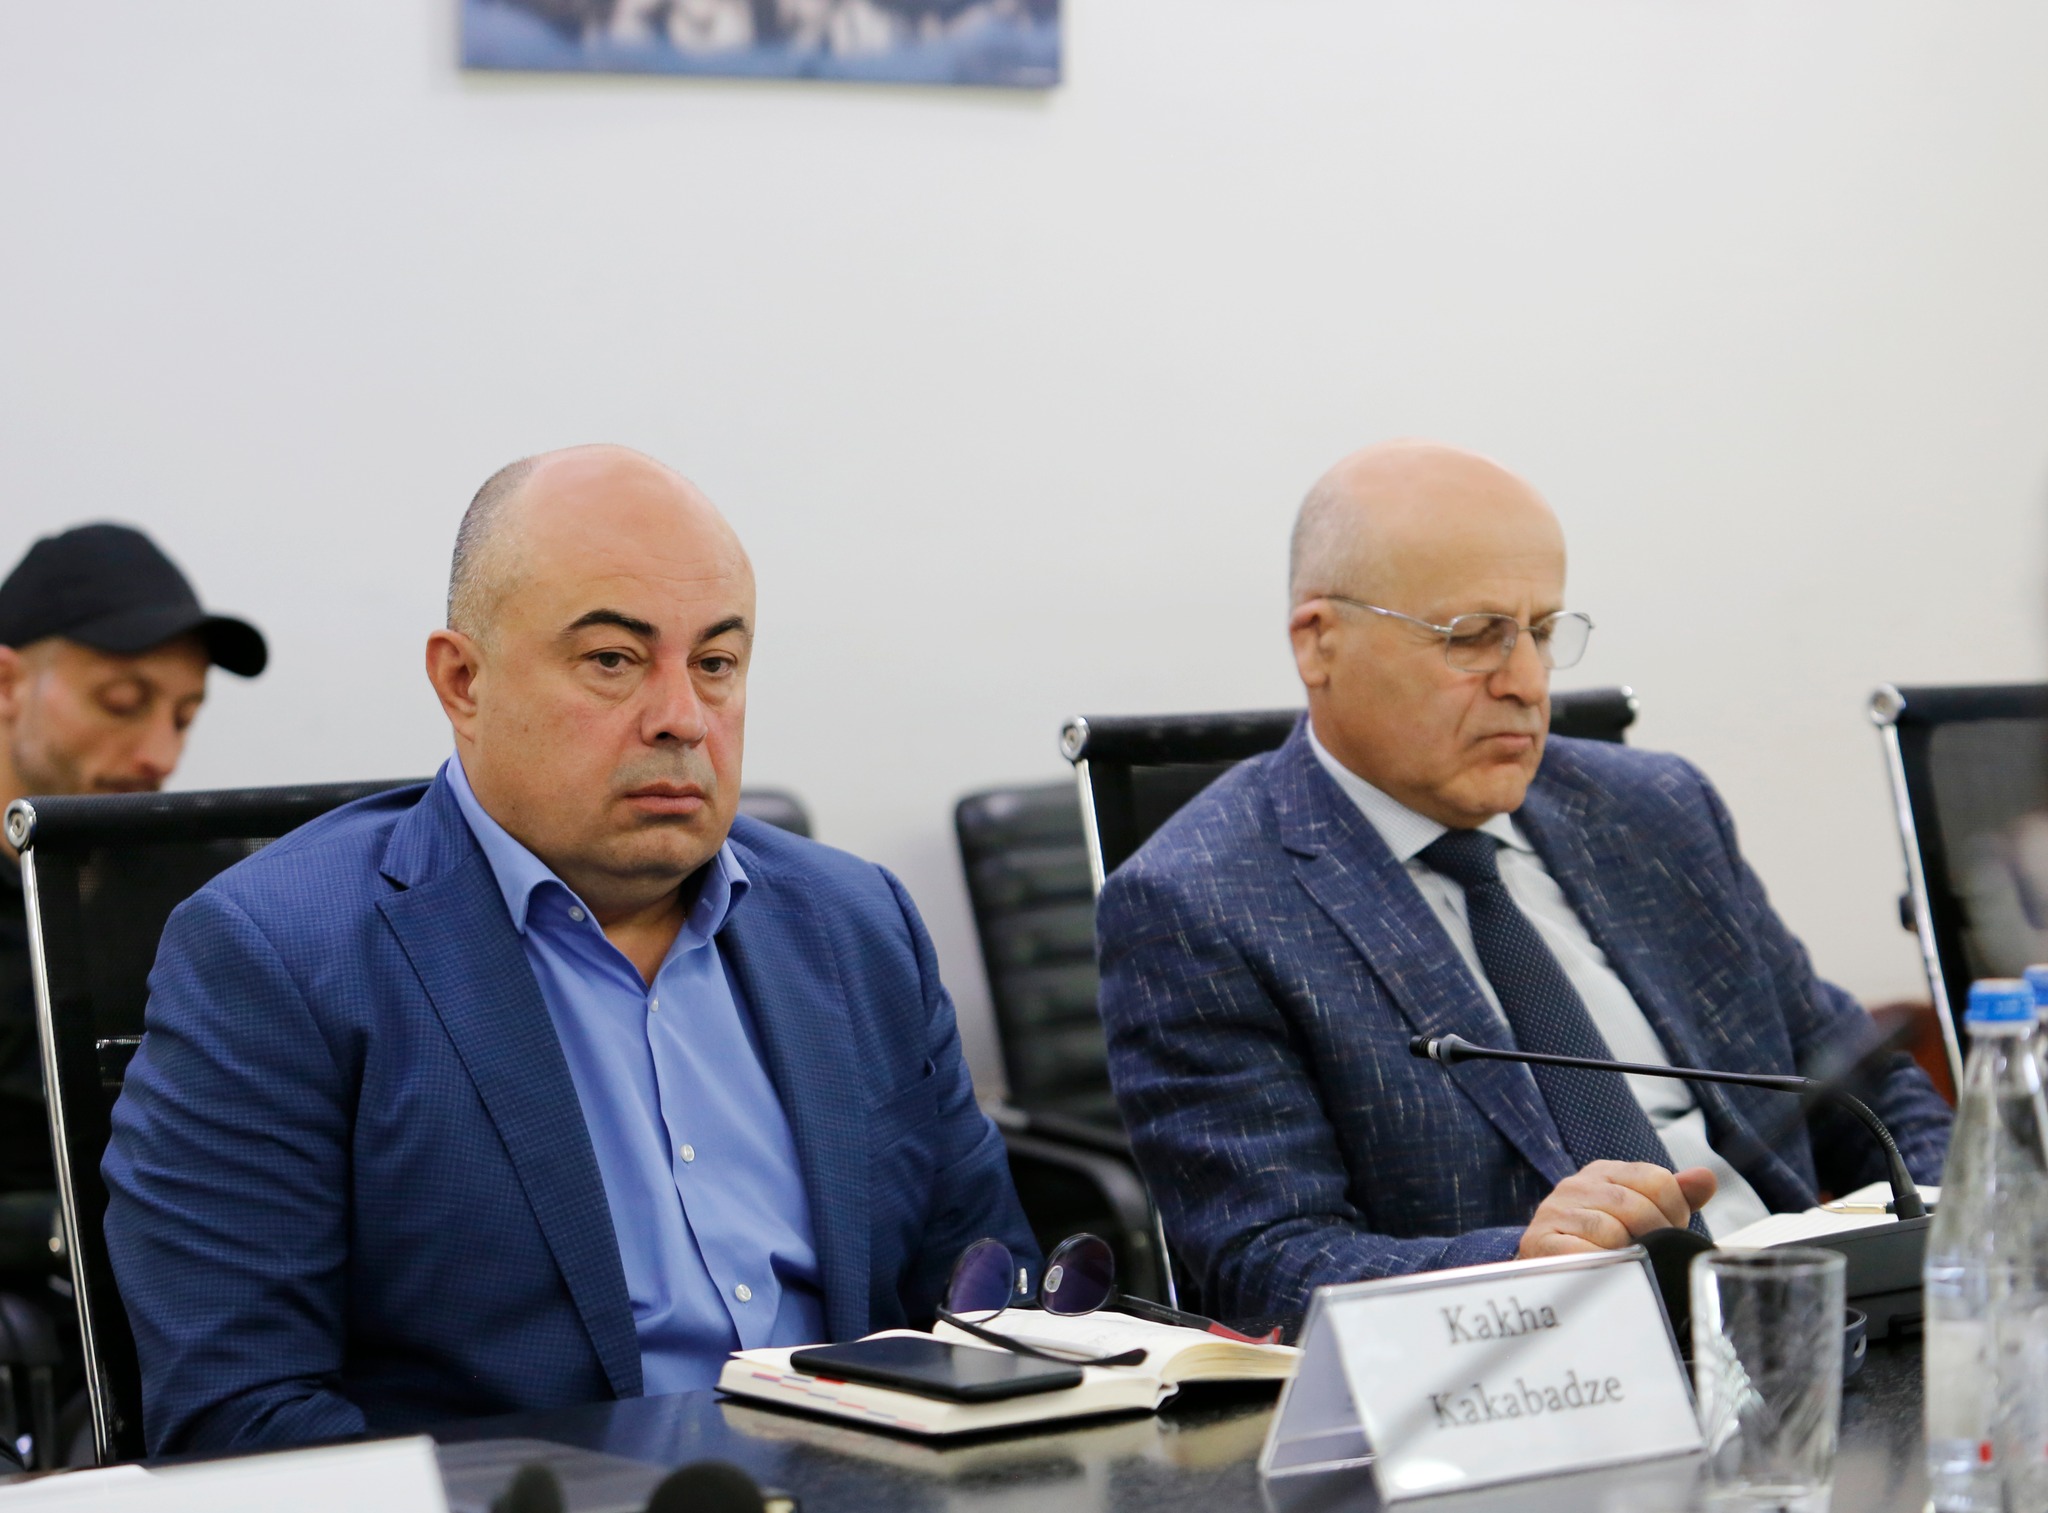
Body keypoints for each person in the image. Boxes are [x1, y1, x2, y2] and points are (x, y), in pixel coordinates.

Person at [103, 445, 1036, 1455]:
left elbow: (996, 1314)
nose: (682, 719)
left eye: (715, 664)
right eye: (613, 660)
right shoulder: (278, 956)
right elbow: (240, 1417)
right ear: (462, 680)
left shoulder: (857, 926)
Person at [1096, 440, 1952, 1328]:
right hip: (1545, 1369)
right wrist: (1520, 1264)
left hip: (1816, 1322)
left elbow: (1865, 1078)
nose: (1527, 683)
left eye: (1541, 633)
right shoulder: (1198, 903)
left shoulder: (1655, 809)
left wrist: (1961, 1233)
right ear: (1321, 642)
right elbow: (1263, 1266)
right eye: (1473, 637)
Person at [0, 524, 266, 1194]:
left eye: (183, 717)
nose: (161, 756)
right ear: (7, 686)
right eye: (122, 702)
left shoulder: (209, 897)